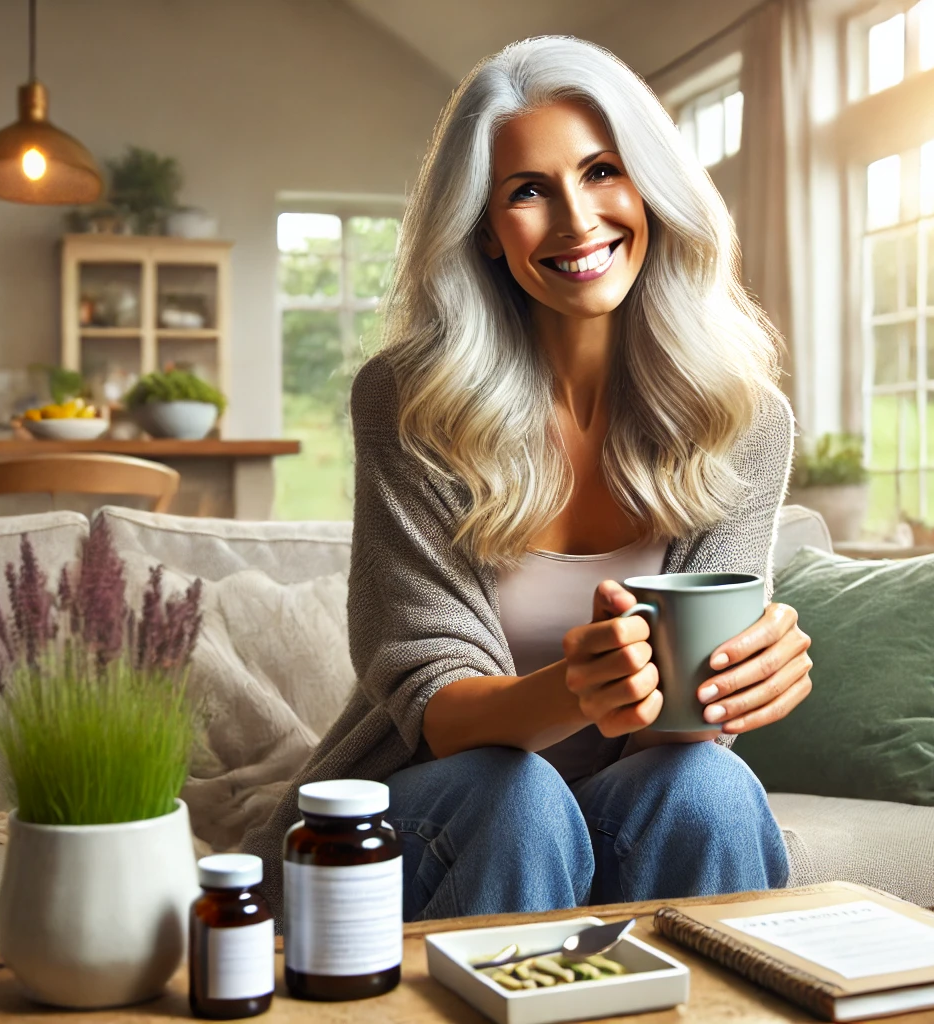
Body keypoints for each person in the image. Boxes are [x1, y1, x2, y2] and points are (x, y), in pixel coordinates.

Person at [245, 36, 812, 921]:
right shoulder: (408, 403)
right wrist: (574, 691)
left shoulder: (745, 419)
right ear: (482, 228)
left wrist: (743, 683)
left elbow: (690, 723)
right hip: (438, 810)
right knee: (520, 796)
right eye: (528, 191)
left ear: (652, 188)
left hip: (618, 804)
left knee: (709, 785)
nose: (579, 221)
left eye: (602, 172)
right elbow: (432, 704)